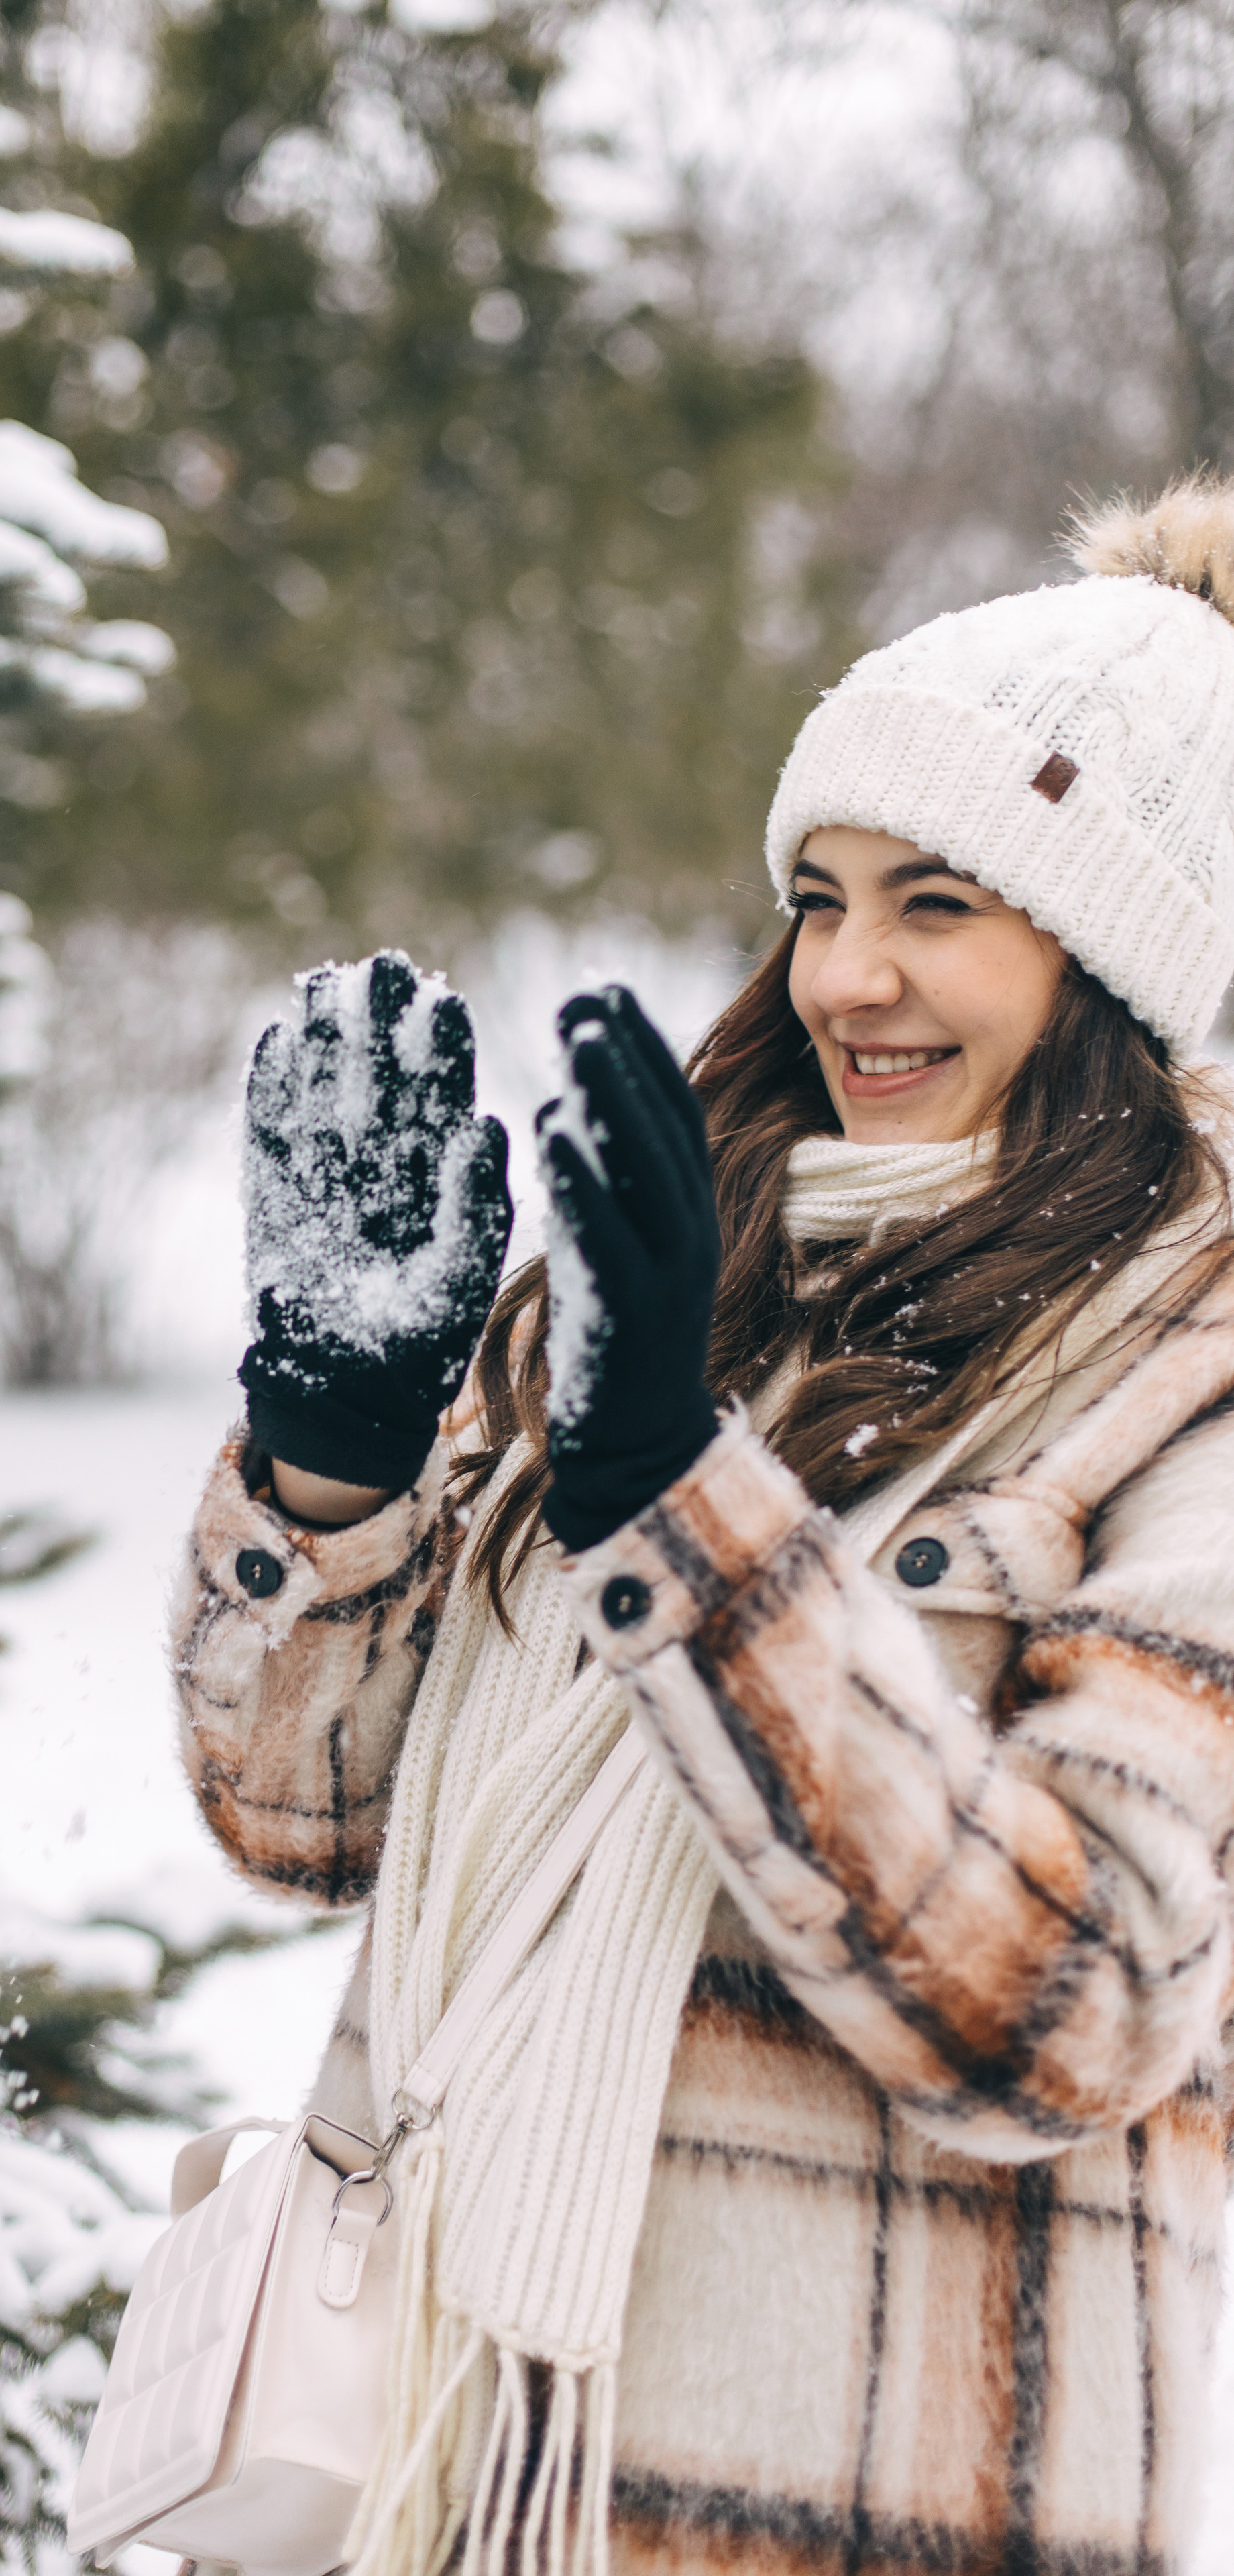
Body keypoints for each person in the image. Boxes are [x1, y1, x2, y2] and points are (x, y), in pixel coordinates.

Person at [173, 479, 1234, 2576]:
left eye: (941, 904)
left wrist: (687, 1509)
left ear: (1123, 951)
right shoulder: (699, 1271)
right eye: (820, 894)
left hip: (854, 2502)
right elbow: (305, 1828)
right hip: (451, 2467)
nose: (848, 975)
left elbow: (1080, 2004)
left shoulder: (1193, 1380)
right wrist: (340, 1451)